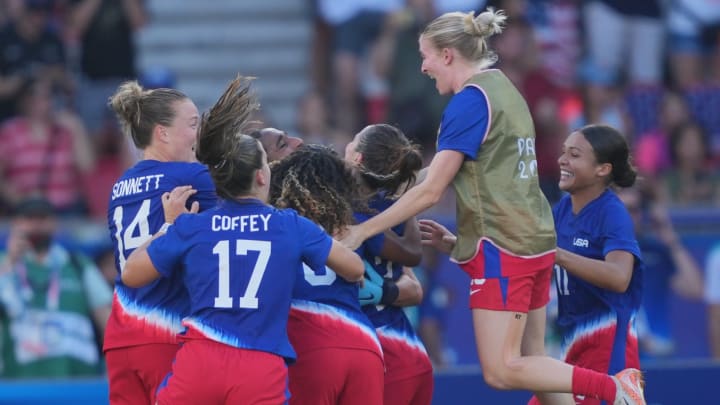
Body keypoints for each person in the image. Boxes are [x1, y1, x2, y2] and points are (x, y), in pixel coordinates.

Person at [340, 9, 645, 404]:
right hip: (532, 240)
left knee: (502, 371)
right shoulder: (502, 86)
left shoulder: (468, 103)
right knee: (536, 365)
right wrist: (400, 196)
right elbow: (466, 173)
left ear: (448, 55)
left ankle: (616, 388)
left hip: (505, 248)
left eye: (426, 55)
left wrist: (363, 229)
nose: (423, 66)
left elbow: (433, 190)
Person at [122, 99, 364, 403]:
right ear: (262, 176)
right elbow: (354, 269)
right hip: (260, 365)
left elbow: (132, 274)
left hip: (201, 361)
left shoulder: (192, 226)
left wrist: (169, 224)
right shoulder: (289, 224)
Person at [103, 77, 255, 404]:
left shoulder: (119, 186)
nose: (198, 135)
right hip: (167, 331)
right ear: (163, 132)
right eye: (192, 124)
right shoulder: (191, 176)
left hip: (120, 336)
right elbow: (250, 211)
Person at [269, 144, 384, 405]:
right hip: (364, 343)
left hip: (309, 346)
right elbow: (409, 254)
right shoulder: (351, 225)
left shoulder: (278, 224)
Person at [344, 123, 433, 404]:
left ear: (357, 158)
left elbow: (411, 253)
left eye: (354, 138)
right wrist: (407, 202)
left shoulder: (357, 213)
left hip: (383, 356)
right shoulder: (391, 204)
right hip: (408, 349)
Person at [0, 196, 112, 378]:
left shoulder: (78, 265)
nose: (36, 225)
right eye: (29, 219)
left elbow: (107, 319)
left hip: (77, 384)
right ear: (15, 224)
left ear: (54, 223)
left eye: (42, 218)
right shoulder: (4, 265)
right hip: (19, 386)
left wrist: (112, 369)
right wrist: (10, 262)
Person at [617, 185, 704, 359]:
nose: (626, 216)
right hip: (615, 362)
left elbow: (695, 289)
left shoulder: (658, 251)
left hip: (658, 358)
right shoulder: (594, 253)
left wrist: (671, 239)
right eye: (619, 209)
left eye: (633, 210)